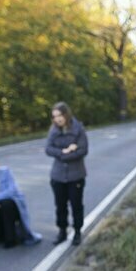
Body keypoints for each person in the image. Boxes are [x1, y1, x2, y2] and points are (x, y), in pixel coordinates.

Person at [45, 101, 88, 246]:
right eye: (54, 116)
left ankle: (77, 232)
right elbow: (48, 149)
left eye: (60, 115)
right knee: (60, 206)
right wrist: (65, 151)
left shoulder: (78, 129)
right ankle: (62, 231)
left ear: (66, 114)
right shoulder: (53, 130)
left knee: (76, 205)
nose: (57, 119)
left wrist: (65, 155)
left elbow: (83, 150)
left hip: (75, 175)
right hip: (57, 176)